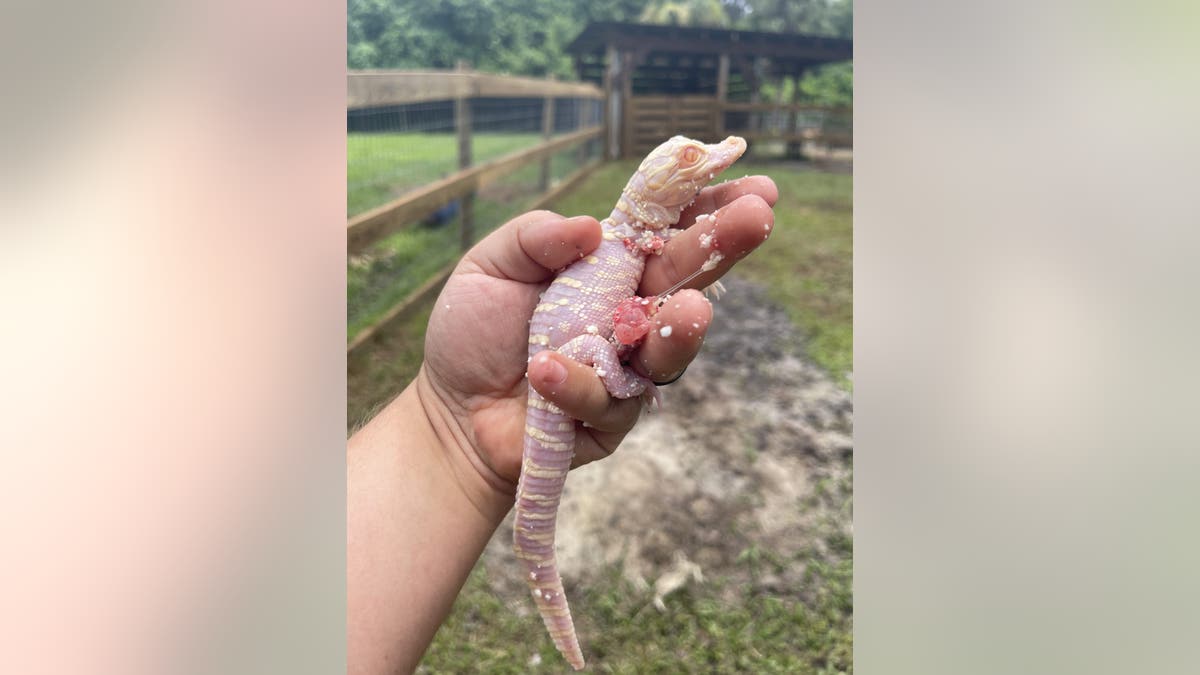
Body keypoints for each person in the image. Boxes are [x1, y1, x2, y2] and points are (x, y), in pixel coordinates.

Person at [348, 176, 778, 674]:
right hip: (571, 354)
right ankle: (622, 381)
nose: (708, 162)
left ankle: (621, 380)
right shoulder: (613, 236)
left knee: (536, 528)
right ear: (647, 186)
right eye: (689, 160)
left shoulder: (632, 238)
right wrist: (624, 381)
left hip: (562, 357)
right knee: (608, 373)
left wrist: (449, 436)